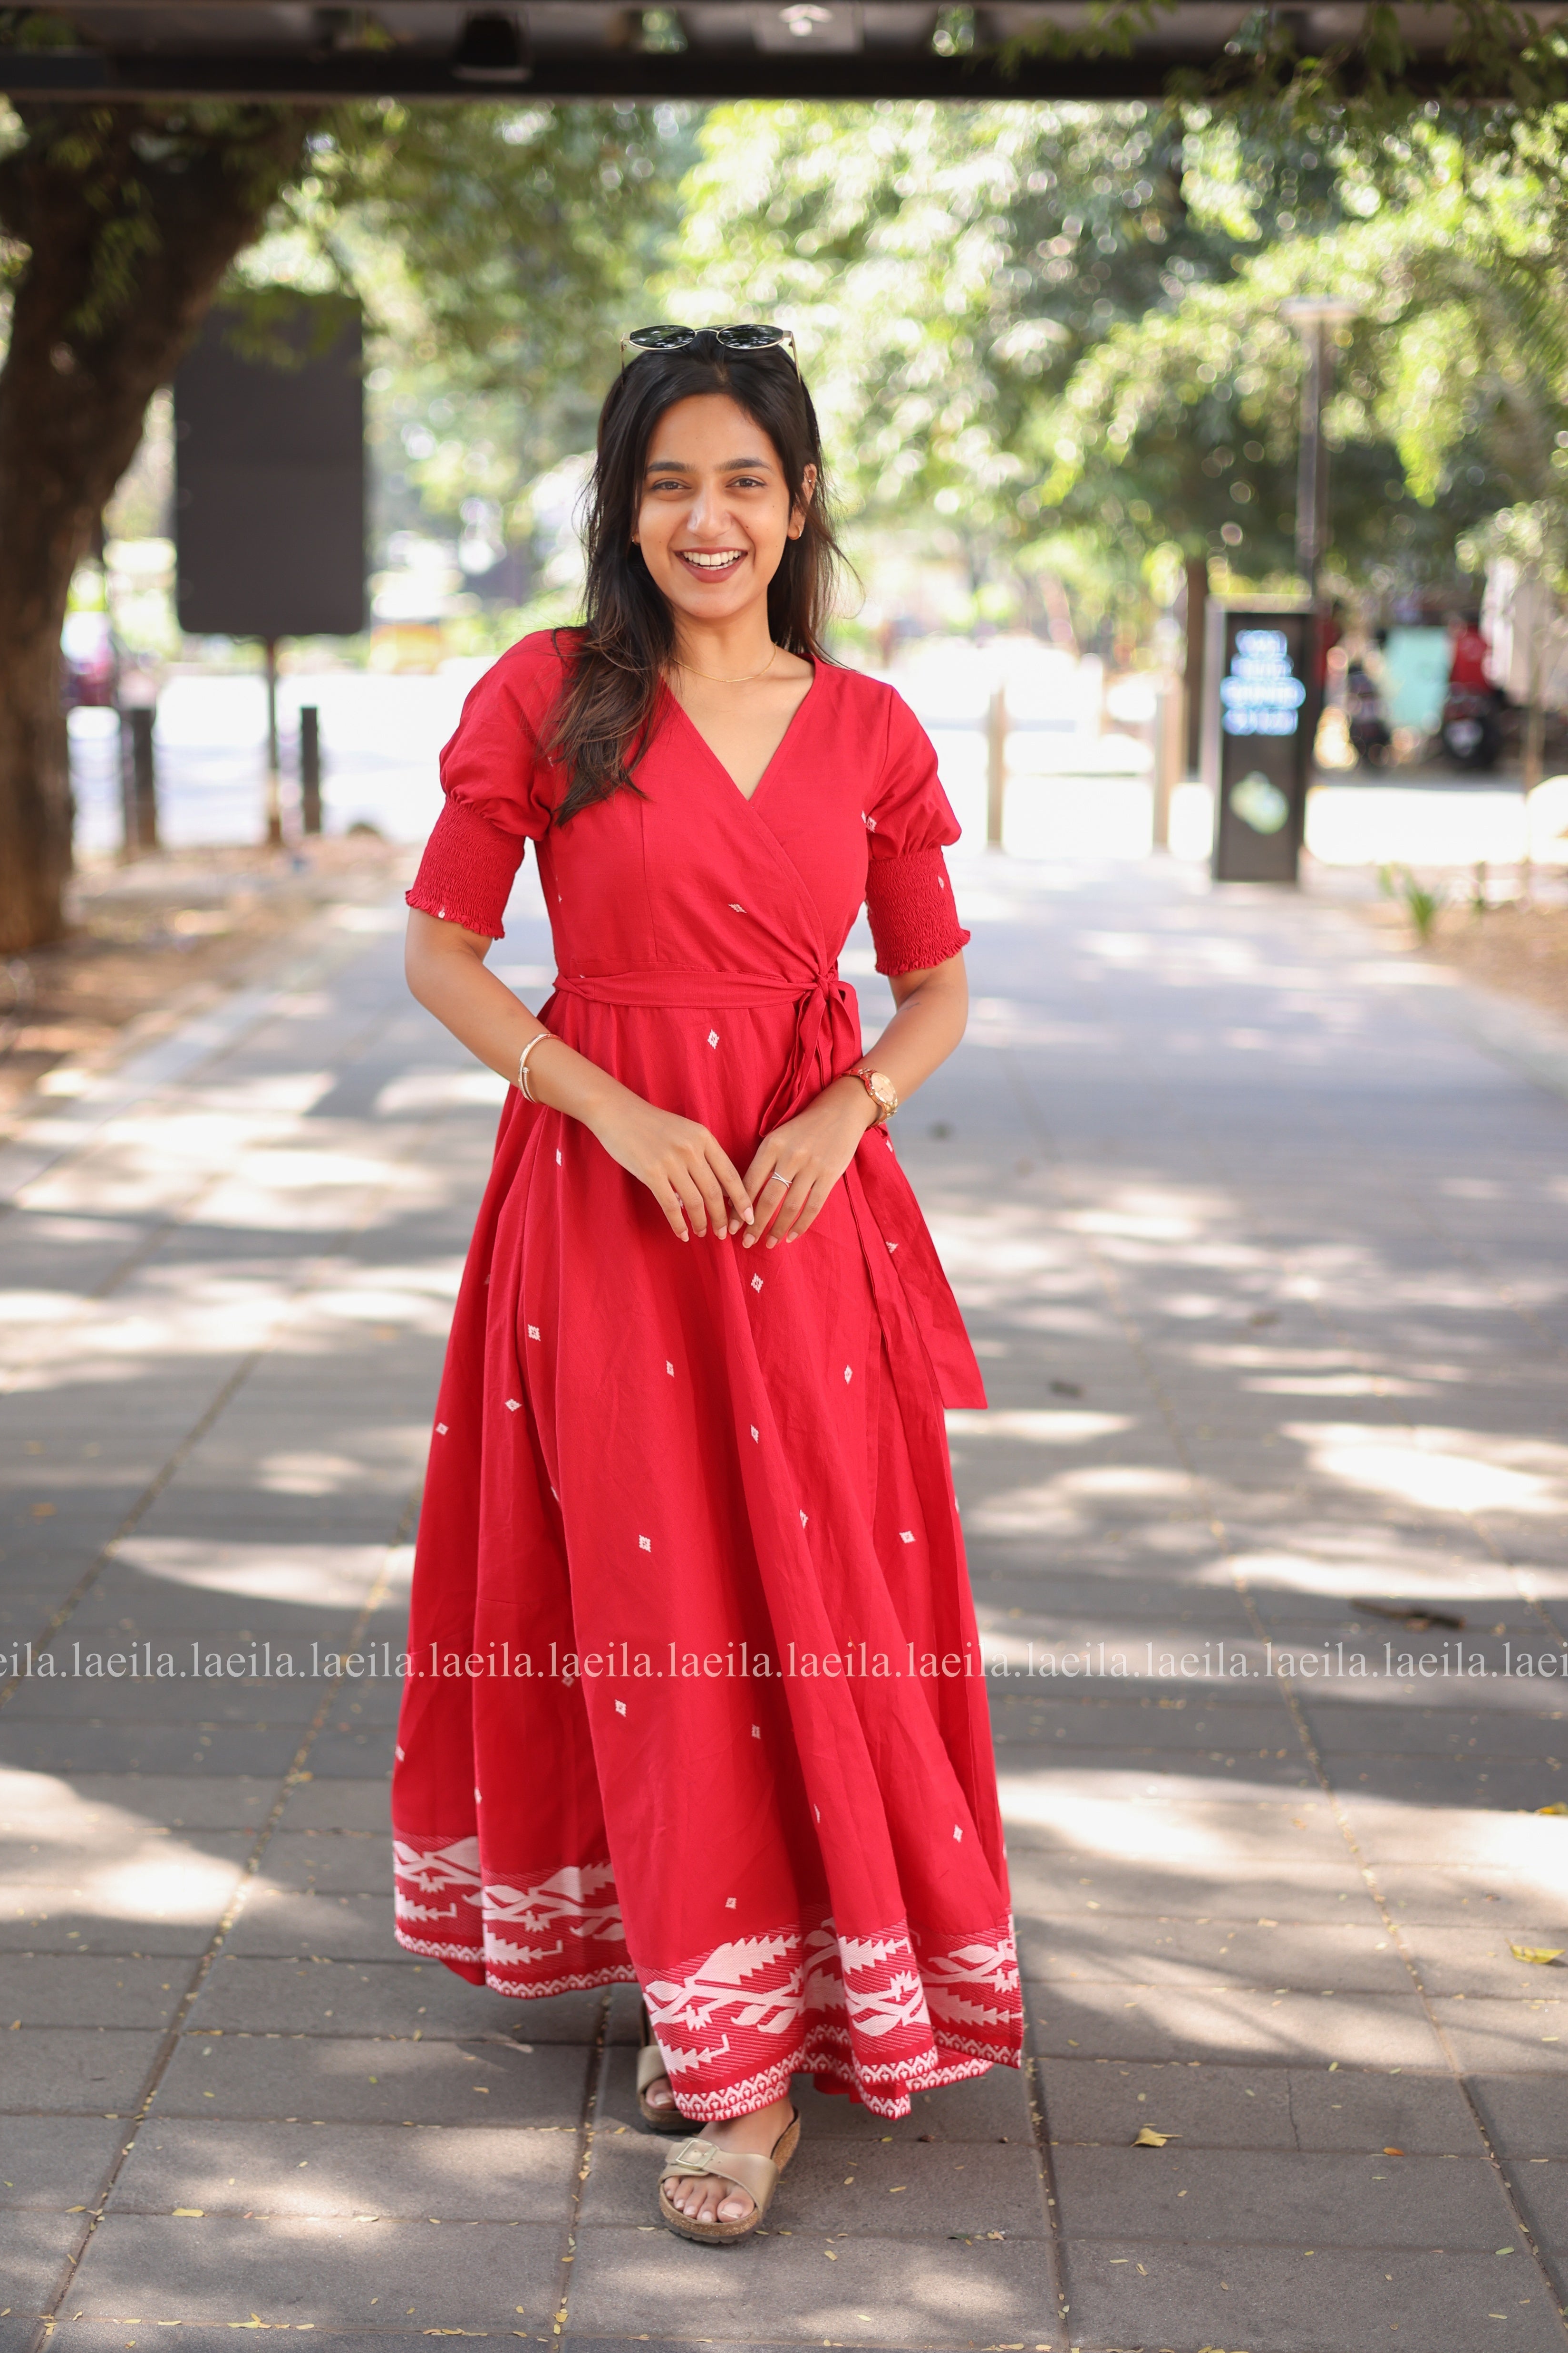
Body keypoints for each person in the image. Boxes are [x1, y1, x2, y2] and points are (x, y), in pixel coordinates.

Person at [393, 322, 1022, 2248]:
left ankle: (759, 2016)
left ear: (800, 502)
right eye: (668, 482)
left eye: (744, 478)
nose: (707, 516)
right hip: (602, 1217)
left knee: (810, 1600)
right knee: (644, 1607)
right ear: (624, 507)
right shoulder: (547, 696)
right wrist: (609, 1106)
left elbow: (936, 990)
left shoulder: (871, 729)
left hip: (800, 1219)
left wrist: (849, 1108)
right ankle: (729, 2052)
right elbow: (441, 955)